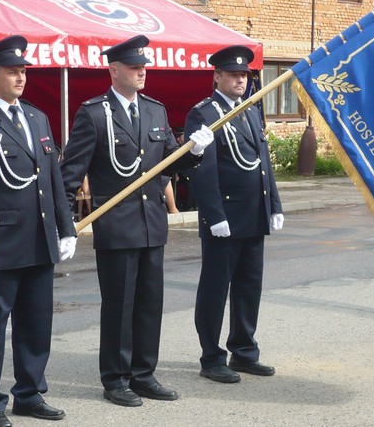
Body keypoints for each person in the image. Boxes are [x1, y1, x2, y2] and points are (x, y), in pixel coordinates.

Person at [60, 34, 213, 407]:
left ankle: (144, 374)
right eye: (133, 67)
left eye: (144, 66)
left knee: (149, 304)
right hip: (116, 225)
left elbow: (168, 160)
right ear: (114, 70)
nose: (142, 72)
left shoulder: (155, 110)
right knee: (119, 306)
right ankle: (115, 378)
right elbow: (70, 172)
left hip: (151, 225)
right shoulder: (95, 113)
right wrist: (65, 226)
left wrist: (194, 150)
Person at [0, 35, 77, 427]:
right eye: (12, 71)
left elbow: (52, 177)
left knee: (37, 321)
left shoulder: (36, 117)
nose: (20, 78)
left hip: (39, 238)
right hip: (0, 241)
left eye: (23, 71)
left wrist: (65, 226)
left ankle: (29, 393)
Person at [184, 46, 284, 384]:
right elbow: (202, 169)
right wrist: (214, 215)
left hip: (253, 214)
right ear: (218, 77)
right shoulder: (205, 113)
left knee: (248, 287)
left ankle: (244, 351)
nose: (240, 79)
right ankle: (211, 357)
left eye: (244, 75)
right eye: (233, 74)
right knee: (215, 289)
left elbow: (263, 162)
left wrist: (274, 204)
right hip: (225, 217)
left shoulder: (251, 110)